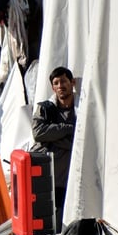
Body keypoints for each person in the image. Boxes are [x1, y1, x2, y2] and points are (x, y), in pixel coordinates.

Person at [31, 65, 77, 226]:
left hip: (69, 181)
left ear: (73, 83)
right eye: (56, 83)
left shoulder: (81, 109)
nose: (60, 86)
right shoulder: (45, 108)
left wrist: (53, 138)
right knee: (46, 225)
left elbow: (80, 142)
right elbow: (38, 133)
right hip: (46, 180)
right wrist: (68, 129)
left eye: (63, 81)